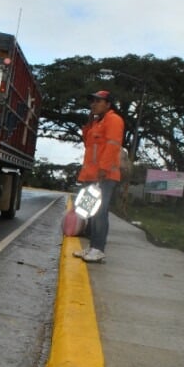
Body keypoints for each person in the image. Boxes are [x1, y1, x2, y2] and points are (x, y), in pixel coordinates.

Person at [73, 90, 125, 263]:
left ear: (108, 104)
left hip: (104, 175)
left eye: (98, 101)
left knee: (100, 212)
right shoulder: (96, 123)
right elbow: (88, 143)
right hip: (91, 175)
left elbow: (113, 145)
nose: (93, 104)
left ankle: (99, 249)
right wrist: (88, 124)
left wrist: (103, 169)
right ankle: (92, 246)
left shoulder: (114, 120)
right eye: (92, 101)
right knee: (91, 212)